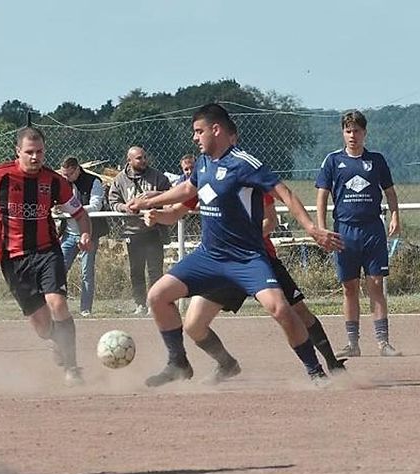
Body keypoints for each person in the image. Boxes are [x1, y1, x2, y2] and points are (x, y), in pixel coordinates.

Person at [127, 103, 343, 387]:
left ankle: (316, 372)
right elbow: (186, 191)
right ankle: (178, 363)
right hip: (209, 257)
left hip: (246, 258)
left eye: (198, 131)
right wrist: (149, 203)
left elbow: (285, 193)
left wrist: (312, 228)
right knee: (157, 296)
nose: (195, 137)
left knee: (281, 309)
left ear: (215, 130)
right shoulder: (203, 164)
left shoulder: (244, 163)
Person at [144, 190, 345, 383]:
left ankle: (330, 364)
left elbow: (270, 220)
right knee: (193, 325)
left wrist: (241, 241)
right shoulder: (206, 176)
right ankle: (226, 364)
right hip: (220, 263)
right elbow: (182, 200)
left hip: (257, 259)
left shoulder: (247, 177)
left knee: (296, 312)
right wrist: (155, 211)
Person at [0, 126, 92, 386]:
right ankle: (58, 339)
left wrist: (86, 234)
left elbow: (79, 214)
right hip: (13, 258)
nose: (35, 157)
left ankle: (72, 367)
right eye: (29, 152)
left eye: (40, 152)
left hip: (47, 252)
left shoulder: (54, 181)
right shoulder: (0, 177)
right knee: (42, 327)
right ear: (18, 151)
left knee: (58, 303)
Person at [316, 110, 403, 359]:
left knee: (376, 284)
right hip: (344, 230)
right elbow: (322, 195)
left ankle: (383, 342)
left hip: (372, 229)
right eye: (348, 130)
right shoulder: (333, 161)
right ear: (343, 133)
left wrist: (395, 215)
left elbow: (390, 192)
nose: (352, 135)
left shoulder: (376, 160)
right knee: (349, 287)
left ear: (365, 133)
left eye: (357, 130)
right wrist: (322, 228)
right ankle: (352, 343)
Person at [107, 146, 172, 315]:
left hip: (153, 229)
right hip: (132, 230)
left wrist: (153, 198)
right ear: (129, 160)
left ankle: (155, 303)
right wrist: (124, 207)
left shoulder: (157, 177)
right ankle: (140, 304)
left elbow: (170, 195)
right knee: (136, 270)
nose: (143, 161)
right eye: (138, 158)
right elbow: (113, 200)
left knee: (155, 269)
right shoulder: (120, 180)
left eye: (144, 157)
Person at [57, 156, 105, 317]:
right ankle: (58, 307)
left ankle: (85, 309)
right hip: (69, 234)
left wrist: (72, 209)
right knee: (59, 270)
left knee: (86, 271)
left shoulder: (94, 182)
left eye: (69, 174)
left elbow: (96, 206)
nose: (66, 178)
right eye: (64, 174)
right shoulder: (62, 183)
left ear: (77, 169)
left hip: (89, 234)